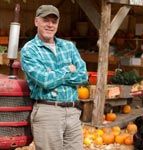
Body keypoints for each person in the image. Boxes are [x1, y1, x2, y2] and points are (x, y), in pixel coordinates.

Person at [21, 5, 88, 150]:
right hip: (48, 111)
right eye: (46, 20)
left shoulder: (68, 46)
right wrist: (68, 69)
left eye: (54, 21)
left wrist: (54, 73)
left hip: (73, 111)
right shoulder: (29, 50)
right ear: (36, 21)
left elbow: (83, 76)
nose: (50, 25)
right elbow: (45, 81)